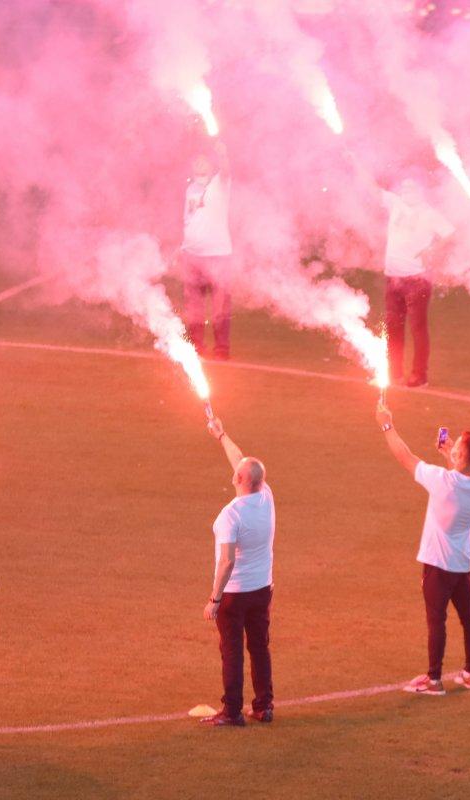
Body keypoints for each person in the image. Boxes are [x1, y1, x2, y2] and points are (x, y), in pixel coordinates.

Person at [375, 401, 470, 695]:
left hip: (438, 563)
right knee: (468, 618)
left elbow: (405, 457)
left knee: (436, 620)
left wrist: (387, 425)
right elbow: (462, 474)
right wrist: (450, 455)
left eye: (457, 446)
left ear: (461, 453)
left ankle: (434, 680)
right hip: (462, 562)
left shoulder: (442, 482)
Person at [201, 415, 275, 726]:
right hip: (262, 589)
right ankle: (263, 706)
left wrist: (215, 599)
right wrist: (222, 435)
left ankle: (232, 711)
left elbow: (227, 561)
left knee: (231, 651)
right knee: (259, 647)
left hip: (234, 594)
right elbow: (240, 459)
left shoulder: (230, 516)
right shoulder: (266, 496)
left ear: (239, 480)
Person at [380, 178, 455, 388]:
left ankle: (419, 375)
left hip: (417, 280)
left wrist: (431, 250)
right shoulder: (395, 203)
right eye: (404, 188)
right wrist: (355, 162)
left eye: (412, 188)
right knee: (394, 327)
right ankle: (394, 373)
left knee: (417, 329)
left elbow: (449, 233)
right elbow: (373, 189)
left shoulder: (429, 213)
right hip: (392, 277)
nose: (407, 192)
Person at [181, 141, 233, 361]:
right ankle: (197, 346)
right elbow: (189, 220)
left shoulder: (219, 183)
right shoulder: (190, 188)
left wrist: (222, 153)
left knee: (220, 305)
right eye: (195, 161)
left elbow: (227, 170)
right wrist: (183, 246)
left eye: (202, 161)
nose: (198, 164)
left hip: (217, 255)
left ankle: (221, 349)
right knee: (194, 306)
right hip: (192, 255)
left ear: (211, 166)